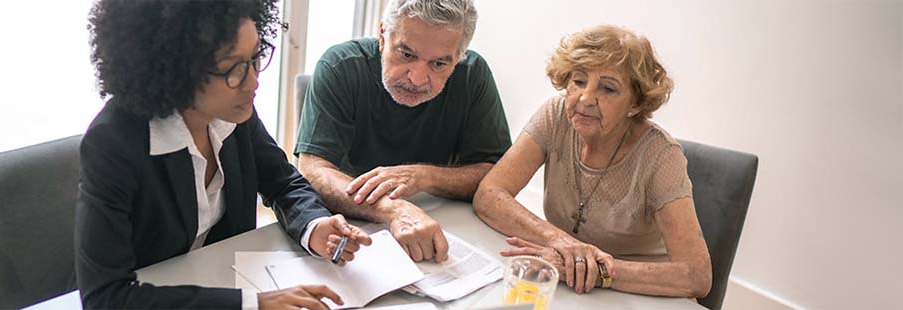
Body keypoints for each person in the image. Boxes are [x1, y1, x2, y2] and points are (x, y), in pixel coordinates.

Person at [76, 1, 371, 308]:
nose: (254, 81)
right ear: (177, 69)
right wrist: (251, 304)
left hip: (227, 278)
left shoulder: (230, 113)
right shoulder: (113, 145)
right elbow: (106, 297)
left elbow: (282, 182)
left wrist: (314, 227)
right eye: (233, 68)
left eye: (255, 57)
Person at [472, 25, 712, 298]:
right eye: (578, 81)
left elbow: (696, 276)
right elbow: (489, 194)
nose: (585, 99)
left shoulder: (662, 156)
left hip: (639, 294)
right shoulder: (556, 114)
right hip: (574, 287)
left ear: (635, 104)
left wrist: (597, 270)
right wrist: (561, 241)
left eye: (608, 88)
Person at [295, 0, 511, 263]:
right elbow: (312, 169)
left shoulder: (473, 75)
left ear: (459, 57)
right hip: (348, 229)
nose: (417, 78)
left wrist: (424, 176)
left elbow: (497, 176)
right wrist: (392, 209)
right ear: (383, 34)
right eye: (406, 55)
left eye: (439, 64)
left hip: (442, 226)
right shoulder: (340, 66)